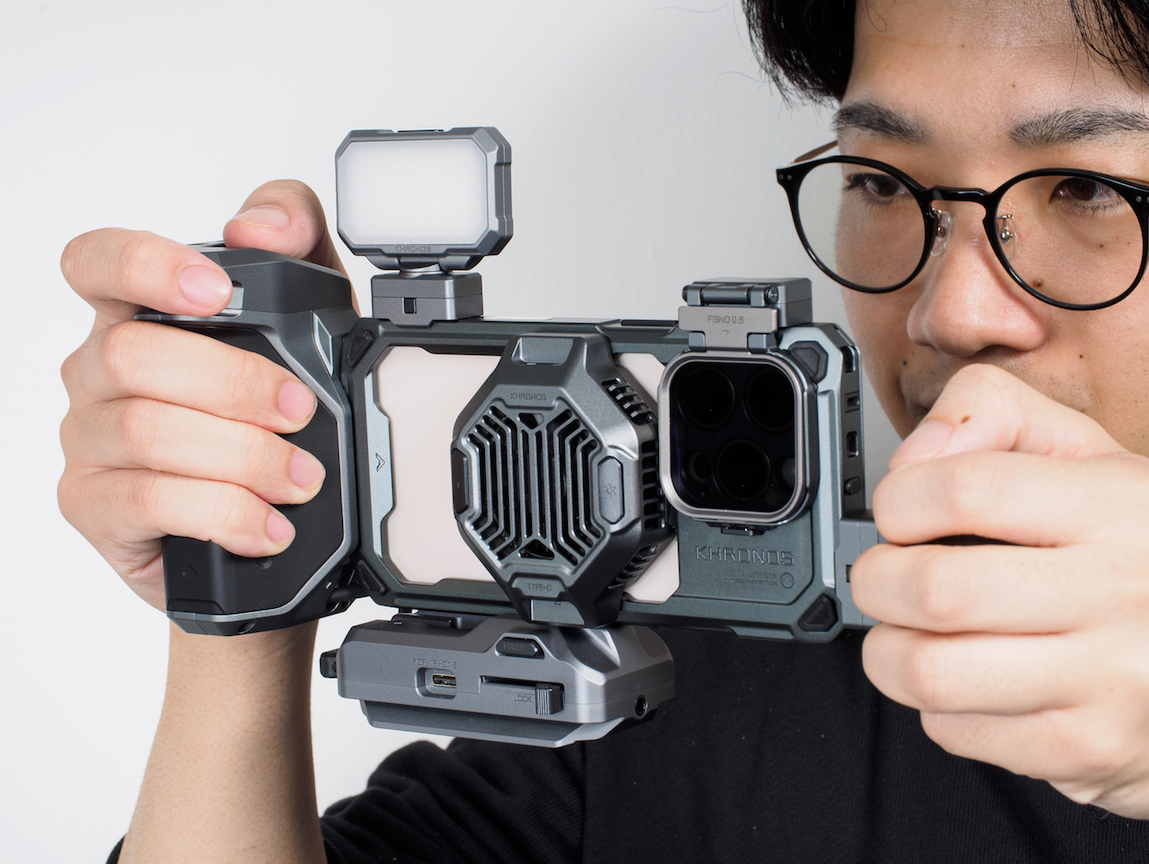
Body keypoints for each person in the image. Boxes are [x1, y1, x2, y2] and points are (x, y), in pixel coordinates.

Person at [58, 0, 1149, 860]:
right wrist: (248, 561)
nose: (952, 312)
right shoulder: (682, 654)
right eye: (879, 179)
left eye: (1092, 189)